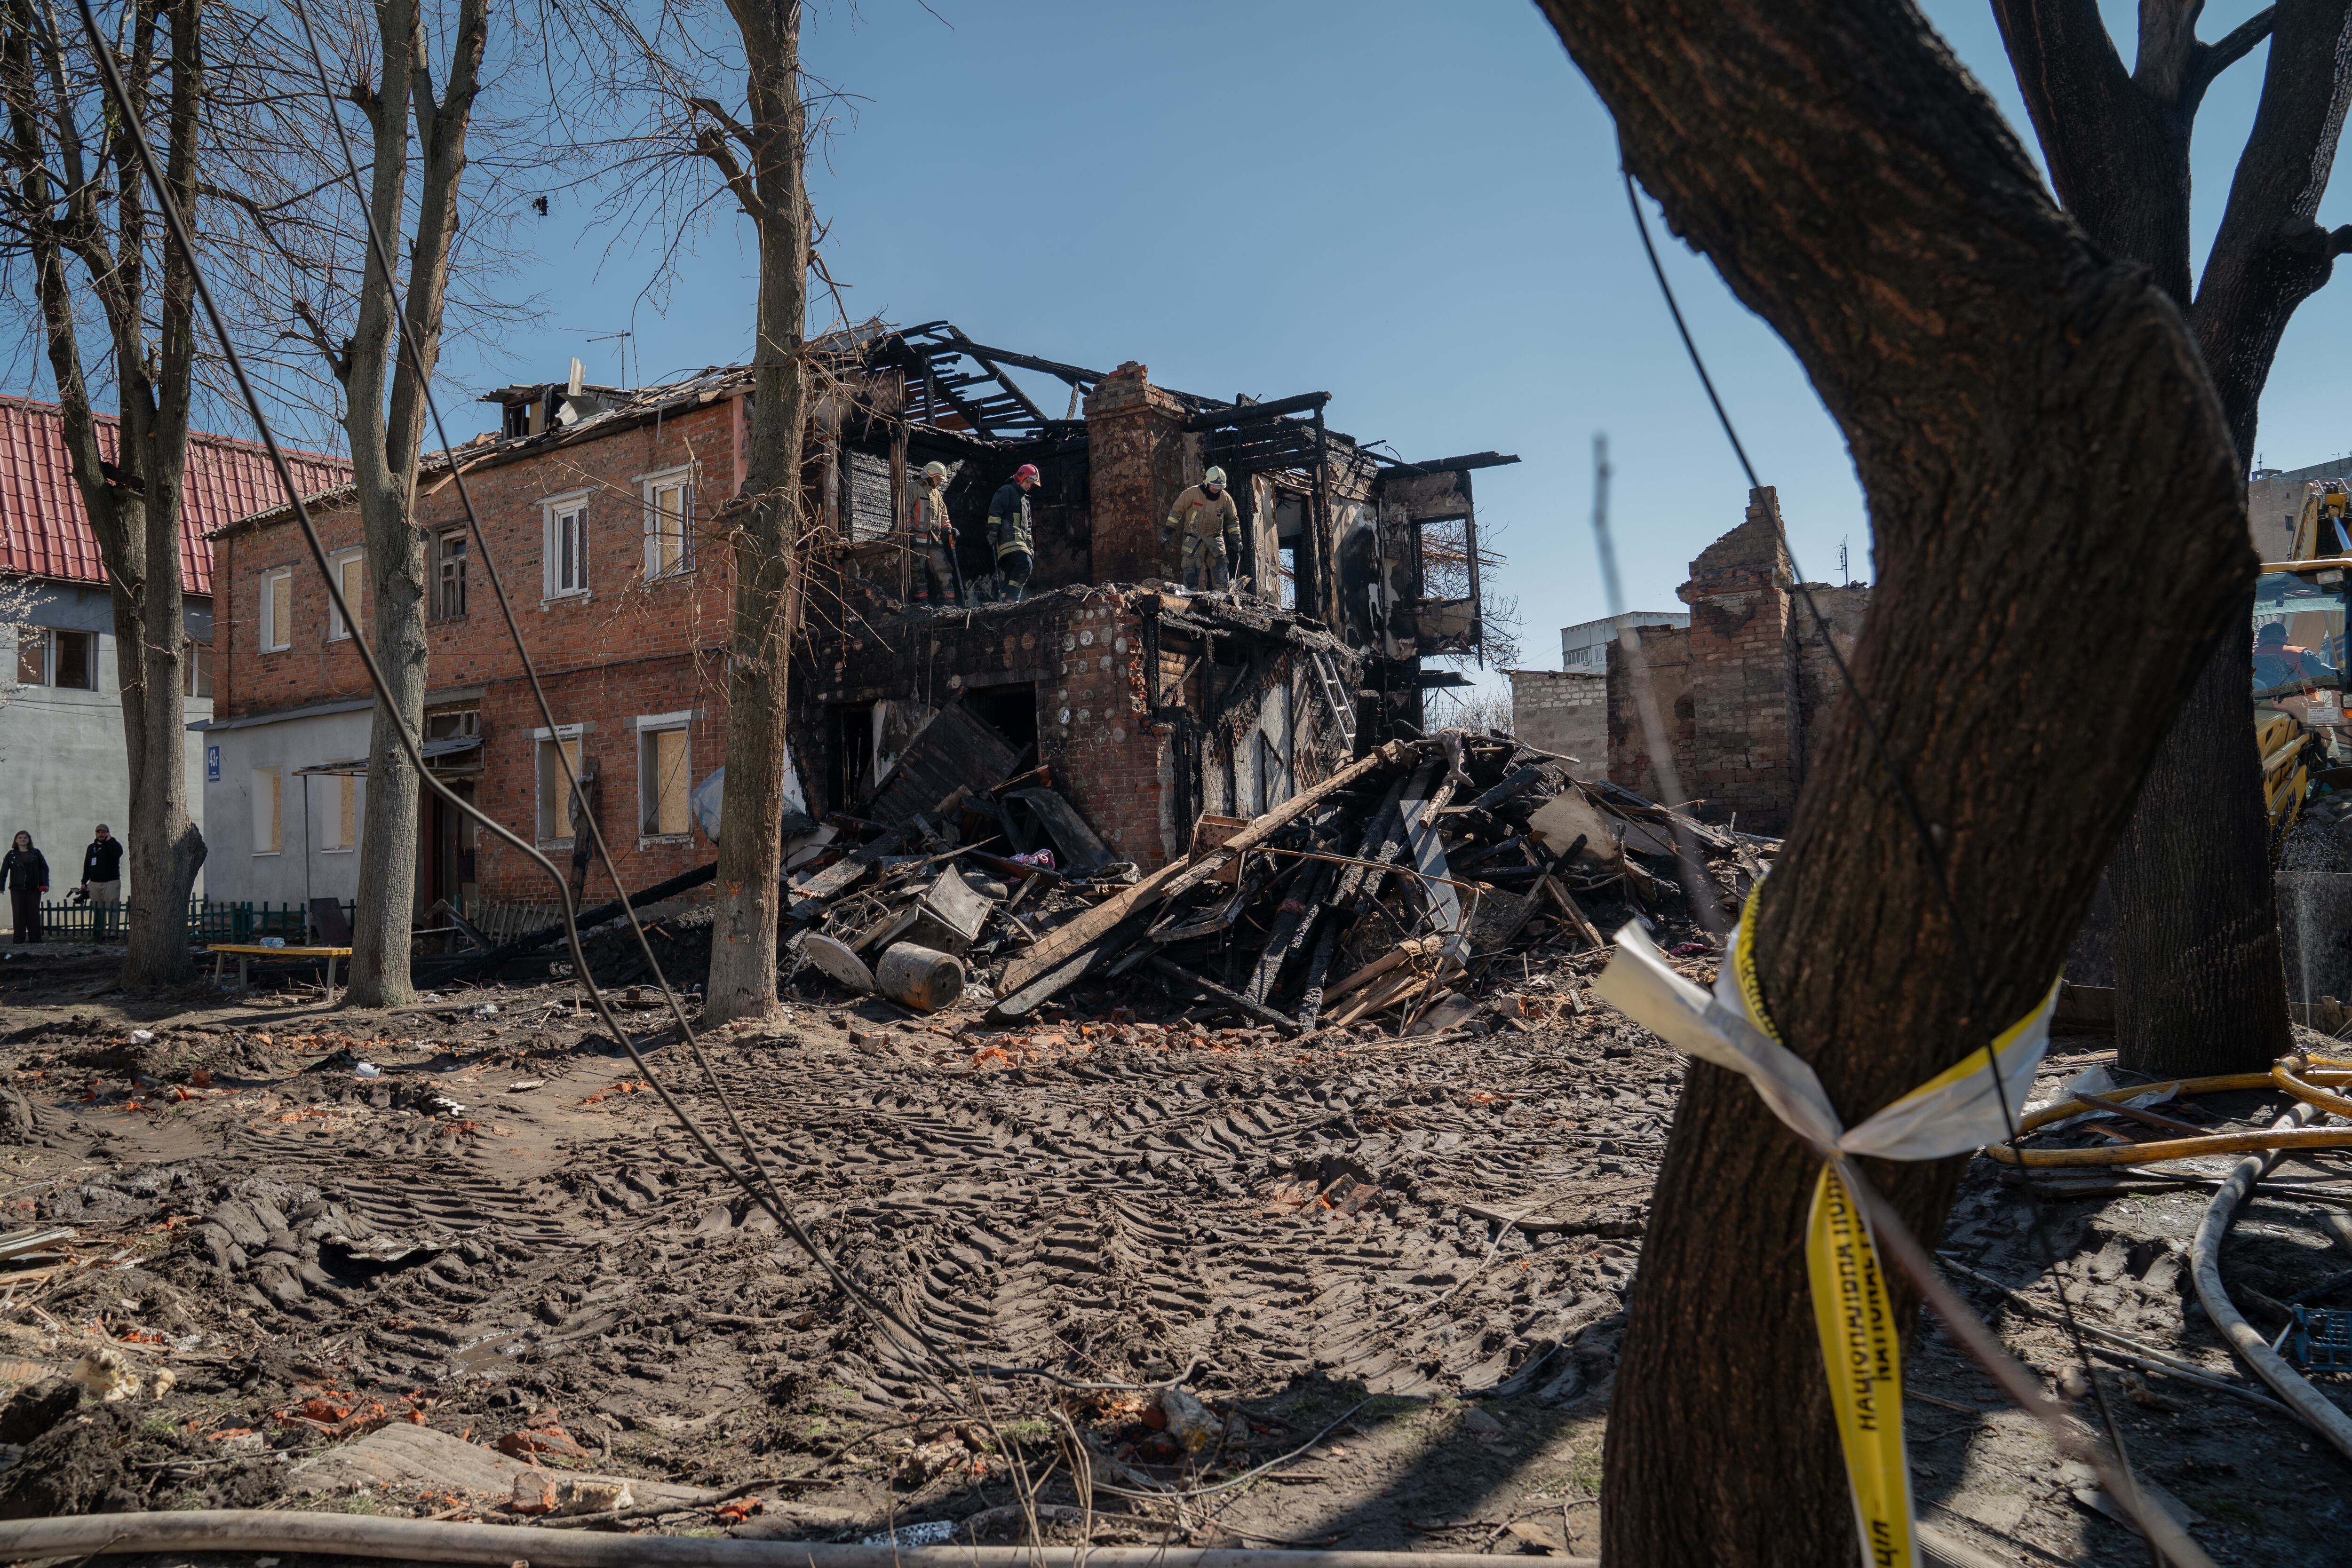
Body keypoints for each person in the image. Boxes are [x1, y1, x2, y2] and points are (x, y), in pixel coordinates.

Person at [1165, 466, 1241, 592]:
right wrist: (1168, 532)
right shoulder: (1192, 494)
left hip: (1215, 539)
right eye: (1214, 487)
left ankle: (1224, 601)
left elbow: (1233, 521)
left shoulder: (1226, 499)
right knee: (1191, 576)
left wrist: (1236, 538)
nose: (1216, 490)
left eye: (1219, 488)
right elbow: (1176, 511)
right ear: (1207, 483)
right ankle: (1191, 601)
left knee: (1222, 574)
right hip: (1194, 539)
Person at [907, 460, 961, 606]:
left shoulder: (937, 495)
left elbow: (943, 516)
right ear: (929, 475)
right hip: (917, 539)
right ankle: (921, 602)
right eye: (938, 479)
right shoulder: (913, 489)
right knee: (918, 569)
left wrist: (949, 530)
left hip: (934, 540)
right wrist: (908, 531)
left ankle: (948, 601)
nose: (939, 483)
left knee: (943, 568)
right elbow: (904, 511)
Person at [987, 463, 1041, 602]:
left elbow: (1028, 528)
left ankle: (1006, 602)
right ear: (1020, 478)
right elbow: (995, 511)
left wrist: (1030, 545)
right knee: (1026, 564)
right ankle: (1013, 599)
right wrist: (993, 532)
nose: (1028, 486)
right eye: (1027, 482)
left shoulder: (1025, 500)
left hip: (1020, 541)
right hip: (1008, 538)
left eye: (1031, 484)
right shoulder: (1007, 491)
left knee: (1011, 573)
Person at [2, 831, 47, 947]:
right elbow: (4, 872)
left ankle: (35, 939)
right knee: (18, 913)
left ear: (29, 840)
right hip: (17, 888)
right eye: (20, 838)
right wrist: (1, 887)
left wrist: (45, 884)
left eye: (25, 838)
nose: (23, 839)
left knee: (34, 913)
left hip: (34, 888)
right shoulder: (11, 855)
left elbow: (44, 869)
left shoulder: (36, 853)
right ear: (16, 841)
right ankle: (18, 939)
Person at [80, 823, 122, 942]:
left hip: (111, 882)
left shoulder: (113, 845)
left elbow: (118, 853)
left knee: (112, 909)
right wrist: (84, 882)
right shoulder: (91, 848)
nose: (101, 835)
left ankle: (113, 933)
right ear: (96, 834)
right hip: (94, 883)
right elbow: (87, 865)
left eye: (104, 832)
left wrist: (109, 841)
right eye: (99, 832)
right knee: (98, 909)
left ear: (108, 833)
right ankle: (100, 933)